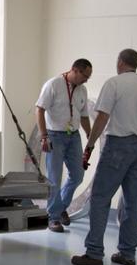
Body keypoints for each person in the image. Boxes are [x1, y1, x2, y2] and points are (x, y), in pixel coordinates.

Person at [72, 48, 137, 265]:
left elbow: (102, 117)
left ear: (120, 62)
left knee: (100, 197)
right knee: (132, 201)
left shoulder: (114, 84)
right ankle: (127, 253)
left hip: (118, 145)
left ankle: (94, 253)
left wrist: (90, 144)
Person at [35, 59, 93, 232]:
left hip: (73, 136)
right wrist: (44, 136)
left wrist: (90, 134)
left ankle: (60, 208)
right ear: (74, 70)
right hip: (54, 136)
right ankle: (53, 217)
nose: (86, 80)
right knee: (54, 178)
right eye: (85, 76)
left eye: (88, 77)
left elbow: (84, 116)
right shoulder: (53, 85)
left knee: (77, 175)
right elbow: (39, 109)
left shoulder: (82, 90)